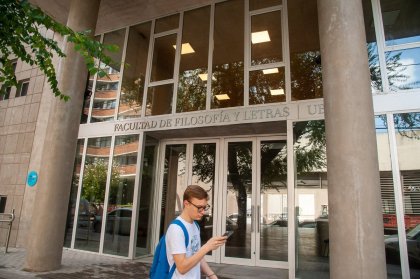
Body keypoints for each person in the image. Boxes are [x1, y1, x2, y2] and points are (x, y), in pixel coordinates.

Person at [166, 185, 227, 279]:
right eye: (199, 207)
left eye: (205, 207)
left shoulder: (195, 226)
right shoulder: (176, 229)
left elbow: (198, 257)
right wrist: (206, 247)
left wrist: (212, 276)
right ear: (186, 204)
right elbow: (182, 268)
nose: (203, 212)